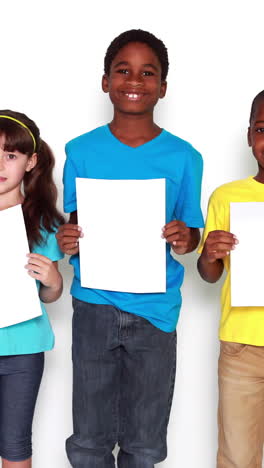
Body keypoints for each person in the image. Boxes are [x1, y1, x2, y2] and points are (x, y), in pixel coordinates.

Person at [57, 29, 204, 468]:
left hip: (155, 311)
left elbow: (193, 234)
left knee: (144, 441)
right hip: (94, 306)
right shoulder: (80, 150)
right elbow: (75, 224)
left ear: (162, 86)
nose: (134, 80)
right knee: (88, 440)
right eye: (123, 70)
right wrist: (69, 239)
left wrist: (184, 236)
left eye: (147, 72)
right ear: (105, 81)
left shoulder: (184, 157)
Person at [197, 90, 264, 468]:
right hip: (242, 346)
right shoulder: (227, 197)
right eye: (262, 128)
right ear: (249, 135)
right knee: (238, 458)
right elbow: (209, 275)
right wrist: (209, 253)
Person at [0, 110, 64, 468]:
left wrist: (53, 282)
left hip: (22, 351)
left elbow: (48, 295)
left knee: (15, 446)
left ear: (30, 161)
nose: (1, 164)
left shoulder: (43, 223)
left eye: (11, 155)